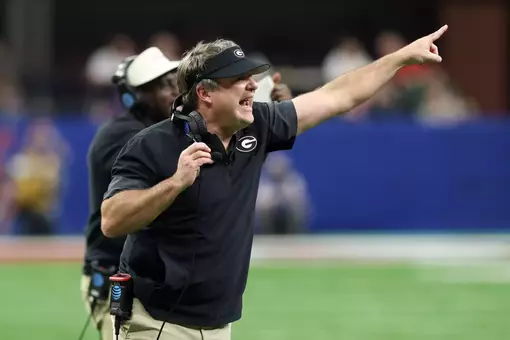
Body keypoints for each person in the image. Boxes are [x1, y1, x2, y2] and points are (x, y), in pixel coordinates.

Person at [101, 24, 448, 340]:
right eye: (239, 78)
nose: (253, 84)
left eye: (252, 77)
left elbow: (338, 96)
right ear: (205, 93)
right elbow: (112, 220)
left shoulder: (258, 125)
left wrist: (401, 58)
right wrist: (175, 183)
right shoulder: (153, 144)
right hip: (157, 323)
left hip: (219, 325)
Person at [81, 47, 180, 340]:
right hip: (115, 273)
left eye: (174, 80)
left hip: (146, 275)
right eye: (163, 85)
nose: (175, 89)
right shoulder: (121, 136)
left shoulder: (162, 131)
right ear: (134, 97)